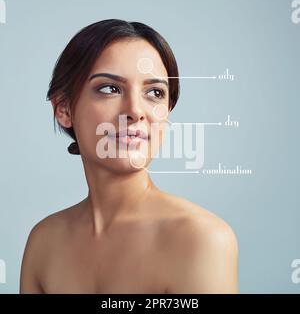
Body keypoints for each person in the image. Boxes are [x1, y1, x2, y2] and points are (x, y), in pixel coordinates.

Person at [20, 19, 238, 294]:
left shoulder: (202, 239)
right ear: (64, 109)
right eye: (110, 88)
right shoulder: (44, 242)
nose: (135, 111)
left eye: (155, 93)